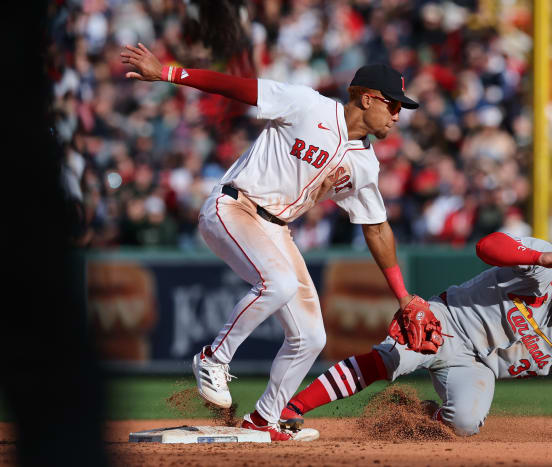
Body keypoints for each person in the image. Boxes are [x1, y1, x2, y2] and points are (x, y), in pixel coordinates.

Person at [121, 43, 426, 441]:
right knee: (278, 284)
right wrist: (168, 74)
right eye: (393, 105)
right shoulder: (307, 105)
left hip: (277, 229)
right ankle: (213, 358)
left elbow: (377, 227)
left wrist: (403, 296)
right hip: (233, 206)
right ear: (367, 99)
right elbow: (238, 88)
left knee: (312, 337)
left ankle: (263, 419)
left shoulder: (365, 164)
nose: (398, 115)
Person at [280, 232, 552, 442]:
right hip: (448, 321)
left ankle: (417, 416)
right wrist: (541, 255)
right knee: (390, 359)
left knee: (465, 424)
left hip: (477, 366)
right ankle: (288, 410)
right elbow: (487, 246)